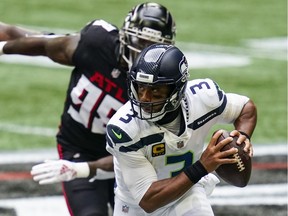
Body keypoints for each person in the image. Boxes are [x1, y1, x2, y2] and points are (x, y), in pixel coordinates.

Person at [0, 3, 176, 216]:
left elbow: (141, 152)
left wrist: (84, 169)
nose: (144, 53)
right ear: (125, 36)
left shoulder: (165, 85)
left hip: (130, 158)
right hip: (78, 147)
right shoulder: (96, 44)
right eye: (142, 41)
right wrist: (2, 48)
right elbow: (46, 44)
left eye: (154, 45)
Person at [106, 44, 257, 216]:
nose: (144, 99)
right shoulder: (124, 128)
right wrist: (202, 167)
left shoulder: (203, 98)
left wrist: (243, 136)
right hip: (135, 208)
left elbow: (246, 108)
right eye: (141, 87)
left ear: (177, 91)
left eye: (155, 91)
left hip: (186, 194)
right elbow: (149, 200)